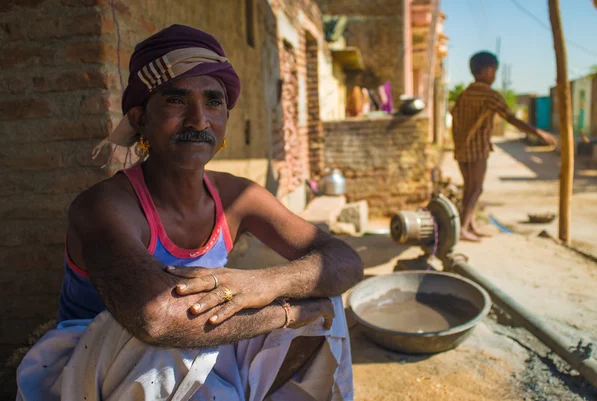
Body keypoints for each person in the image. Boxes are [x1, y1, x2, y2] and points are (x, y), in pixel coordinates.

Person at [16, 25, 363, 400]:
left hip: (190, 345)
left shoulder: (237, 195)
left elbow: (344, 260)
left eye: (213, 102)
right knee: (167, 336)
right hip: (95, 369)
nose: (199, 120)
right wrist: (285, 314)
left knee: (327, 303)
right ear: (138, 118)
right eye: (177, 101)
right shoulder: (104, 206)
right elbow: (156, 318)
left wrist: (264, 284)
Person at [451, 51, 557, 242]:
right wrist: (538, 132)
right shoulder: (490, 95)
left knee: (469, 187)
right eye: (494, 71)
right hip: (477, 149)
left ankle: (470, 225)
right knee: (475, 189)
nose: (494, 75)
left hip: (461, 148)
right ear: (488, 70)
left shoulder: (463, 95)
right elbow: (511, 118)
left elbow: (455, 119)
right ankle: (463, 228)